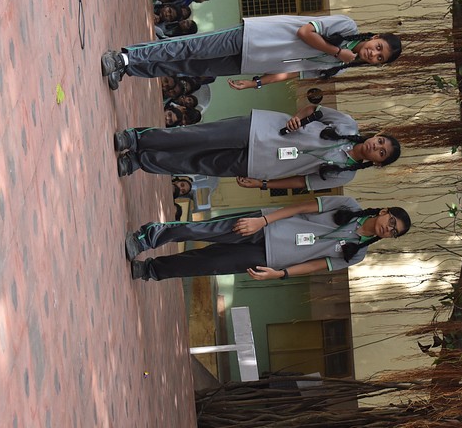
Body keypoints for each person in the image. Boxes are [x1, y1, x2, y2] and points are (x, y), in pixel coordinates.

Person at [113, 104, 401, 191]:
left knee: (196, 164)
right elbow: (313, 109)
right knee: (196, 137)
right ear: (377, 135)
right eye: (380, 141)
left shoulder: (345, 174)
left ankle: (140, 161)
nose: (376, 146)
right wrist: (296, 118)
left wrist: (263, 184)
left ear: (377, 162)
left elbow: (301, 182)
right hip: (259, 129)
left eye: (381, 152)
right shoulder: (347, 124)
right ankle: (137, 139)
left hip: (260, 165)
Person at [125, 196, 411, 280]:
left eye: (394, 231)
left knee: (206, 264)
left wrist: (280, 273)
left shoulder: (357, 253)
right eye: (391, 222)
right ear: (384, 211)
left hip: (268, 257)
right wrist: (262, 220)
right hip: (264, 226)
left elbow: (315, 265)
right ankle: (149, 237)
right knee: (202, 231)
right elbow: (300, 207)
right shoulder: (348, 205)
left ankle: (151, 270)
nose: (389, 229)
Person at [100, 14, 402, 90]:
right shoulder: (347, 28)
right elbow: (304, 32)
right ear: (374, 37)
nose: (373, 54)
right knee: (189, 47)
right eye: (378, 47)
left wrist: (256, 82)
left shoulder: (341, 65)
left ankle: (130, 68)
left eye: (380, 58)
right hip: (254, 37)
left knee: (188, 67)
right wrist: (336, 51)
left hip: (249, 62)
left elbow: (294, 72)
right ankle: (124, 56)